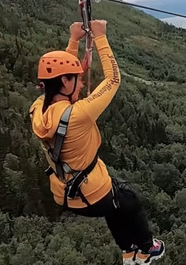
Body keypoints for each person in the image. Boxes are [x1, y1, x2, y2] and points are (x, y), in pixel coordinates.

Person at [29, 19, 166, 264]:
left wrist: (74, 42)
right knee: (130, 201)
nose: (82, 83)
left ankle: (127, 251)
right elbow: (113, 80)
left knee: (116, 205)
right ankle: (148, 249)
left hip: (65, 193)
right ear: (64, 82)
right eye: (77, 78)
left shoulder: (38, 109)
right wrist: (100, 37)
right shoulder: (79, 114)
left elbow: (58, 87)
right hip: (91, 193)